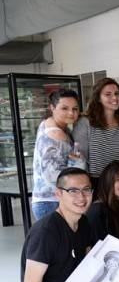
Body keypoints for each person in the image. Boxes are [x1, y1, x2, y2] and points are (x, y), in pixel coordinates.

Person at [73, 78, 119, 190]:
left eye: (116, 93)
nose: (114, 98)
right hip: (96, 182)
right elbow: (81, 158)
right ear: (98, 98)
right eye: (108, 94)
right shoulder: (85, 123)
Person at [31, 89, 82, 220]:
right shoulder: (56, 135)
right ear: (52, 108)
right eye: (64, 108)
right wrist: (76, 164)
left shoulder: (48, 123)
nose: (71, 113)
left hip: (48, 199)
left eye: (75, 109)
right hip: (53, 201)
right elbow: (51, 175)